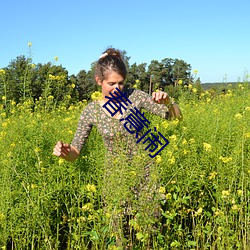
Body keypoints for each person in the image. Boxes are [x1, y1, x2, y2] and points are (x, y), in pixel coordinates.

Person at [53, 47, 182, 246]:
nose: (117, 88)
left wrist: (169, 102)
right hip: (115, 182)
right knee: (119, 238)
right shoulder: (91, 111)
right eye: (111, 84)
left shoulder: (136, 97)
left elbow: (175, 118)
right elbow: (76, 151)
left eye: (121, 83)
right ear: (99, 81)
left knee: (150, 236)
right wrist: (65, 152)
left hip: (146, 176)